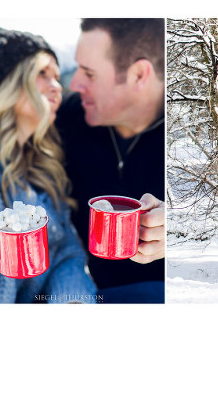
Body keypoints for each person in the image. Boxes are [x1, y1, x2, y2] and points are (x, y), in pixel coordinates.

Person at [0, 27, 97, 303]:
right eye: (42, 73)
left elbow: (65, 252)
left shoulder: (41, 162)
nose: (57, 87)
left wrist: (72, 301)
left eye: (56, 76)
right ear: (5, 83)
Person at [55, 18, 165, 303]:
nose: (74, 83)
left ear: (140, 75)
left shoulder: (186, 134)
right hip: (92, 294)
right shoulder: (67, 120)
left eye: (89, 74)